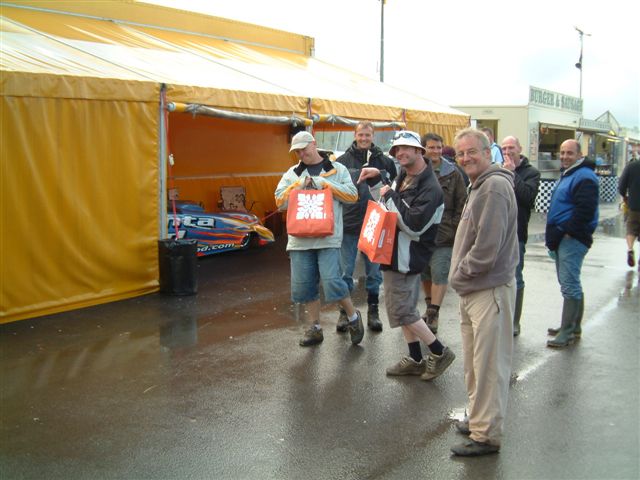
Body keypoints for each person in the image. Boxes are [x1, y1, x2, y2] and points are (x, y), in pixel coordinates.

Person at [358, 131, 455, 381]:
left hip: (407, 256)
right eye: (396, 149)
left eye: (405, 148)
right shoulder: (404, 175)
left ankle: (439, 351)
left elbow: (413, 225)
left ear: (419, 151)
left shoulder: (431, 188)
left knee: (403, 311)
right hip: (393, 252)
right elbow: (389, 206)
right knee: (402, 309)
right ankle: (415, 358)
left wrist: (390, 194)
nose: (400, 153)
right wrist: (377, 180)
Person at [449, 128, 518, 457]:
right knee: (476, 364)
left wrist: (460, 275)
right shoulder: (480, 184)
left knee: (488, 366)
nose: (465, 158)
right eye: (460, 153)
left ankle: (486, 435)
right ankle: (478, 420)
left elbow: (486, 249)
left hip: (487, 289)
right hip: (474, 289)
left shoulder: (493, 187)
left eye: (471, 152)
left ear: (488, 152)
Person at [274, 131, 364, 347]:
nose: (301, 154)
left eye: (304, 148)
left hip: (328, 237)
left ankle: (353, 317)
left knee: (332, 281)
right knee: (304, 286)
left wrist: (326, 185)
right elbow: (279, 202)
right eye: (297, 151)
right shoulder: (292, 173)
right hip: (299, 240)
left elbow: (352, 196)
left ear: (314, 144)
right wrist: (296, 186)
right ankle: (314, 327)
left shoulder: (337, 169)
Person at [335, 121, 397, 333]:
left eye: (367, 135)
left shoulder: (385, 161)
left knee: (374, 272)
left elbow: (393, 186)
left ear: (373, 136)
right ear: (355, 135)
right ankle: (345, 312)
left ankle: (373, 311)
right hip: (349, 222)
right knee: (346, 271)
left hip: (375, 222)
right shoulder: (342, 161)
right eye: (360, 134)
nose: (363, 138)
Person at [545, 139, 599, 347]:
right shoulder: (571, 173)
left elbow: (585, 210)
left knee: (569, 284)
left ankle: (567, 332)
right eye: (562, 152)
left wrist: (568, 232)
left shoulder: (584, 176)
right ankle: (572, 327)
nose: (564, 156)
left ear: (579, 155)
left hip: (572, 238)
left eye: (569, 153)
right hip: (564, 237)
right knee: (570, 282)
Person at [419, 133, 467, 333]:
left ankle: (433, 313)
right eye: (431, 147)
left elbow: (462, 202)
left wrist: (454, 227)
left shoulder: (453, 173)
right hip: (421, 233)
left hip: (444, 234)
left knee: (439, 273)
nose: (436, 151)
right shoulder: (416, 170)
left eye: (439, 147)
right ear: (423, 149)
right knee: (425, 274)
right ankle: (429, 305)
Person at [501, 136, 541, 336]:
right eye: (504, 148)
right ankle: (501, 318)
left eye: (511, 148)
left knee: (516, 276)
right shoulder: (497, 168)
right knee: (498, 278)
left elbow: (527, 197)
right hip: (498, 232)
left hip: (517, 232)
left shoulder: (531, 172)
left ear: (520, 149)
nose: (507, 152)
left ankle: (514, 321)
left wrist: (512, 173)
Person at [618, 158, 640, 270]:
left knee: (631, 229)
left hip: (634, 205)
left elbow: (621, 186)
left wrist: (625, 197)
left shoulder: (631, 166)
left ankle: (630, 249)